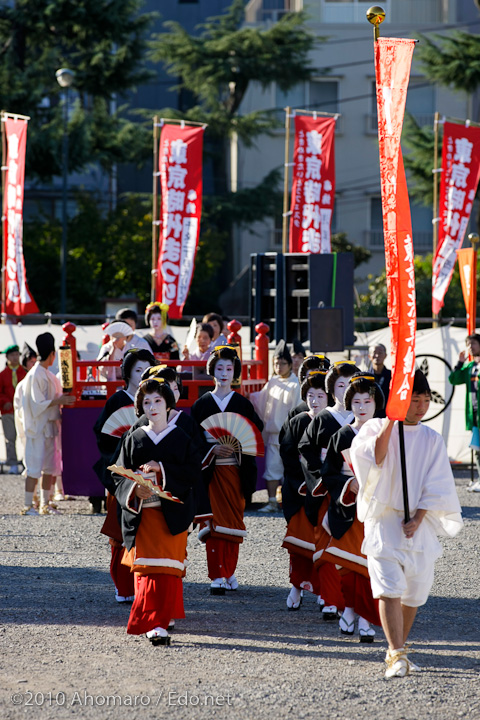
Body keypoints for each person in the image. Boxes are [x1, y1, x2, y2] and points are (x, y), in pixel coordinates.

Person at [350, 369, 463, 678]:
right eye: (415, 399)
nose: (422, 406)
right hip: (384, 520)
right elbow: (374, 458)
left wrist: (419, 517)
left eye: (426, 400)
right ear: (400, 399)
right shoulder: (375, 426)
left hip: (417, 525)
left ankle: (398, 649)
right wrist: (391, 419)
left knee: (414, 592)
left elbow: (437, 482)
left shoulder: (431, 438)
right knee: (389, 587)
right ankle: (397, 653)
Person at [112, 377, 199, 646]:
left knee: (169, 570)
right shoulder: (133, 437)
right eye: (146, 402)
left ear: (168, 404)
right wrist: (133, 490)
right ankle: (155, 623)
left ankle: (162, 616)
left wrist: (162, 468)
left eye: (158, 401)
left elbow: (194, 473)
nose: (152, 406)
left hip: (172, 514)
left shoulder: (182, 437)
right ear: (140, 407)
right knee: (147, 570)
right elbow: (118, 476)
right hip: (144, 516)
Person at [191, 346, 263, 594]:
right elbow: (194, 439)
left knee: (233, 522)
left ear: (235, 373)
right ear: (211, 371)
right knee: (213, 523)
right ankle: (216, 575)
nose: (224, 373)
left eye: (229, 368)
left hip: (235, 470)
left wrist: (236, 448)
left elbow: (255, 433)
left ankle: (229, 571)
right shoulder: (201, 404)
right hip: (211, 473)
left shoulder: (243, 404)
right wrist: (212, 451)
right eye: (219, 368)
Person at [321, 373, 384, 641]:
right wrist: (348, 485)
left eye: (367, 401)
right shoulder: (342, 435)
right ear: (349, 403)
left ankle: (366, 618)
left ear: (375, 404)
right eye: (356, 401)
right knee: (349, 565)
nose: (361, 407)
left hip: (378, 507)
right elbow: (329, 472)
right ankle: (349, 608)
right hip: (348, 506)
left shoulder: (385, 433)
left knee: (372, 566)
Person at [298, 360, 358, 621]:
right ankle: (330, 599)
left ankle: (351, 599)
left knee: (353, 545)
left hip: (356, 489)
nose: (346, 392)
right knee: (326, 542)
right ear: (332, 389)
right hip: (327, 487)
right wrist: (321, 477)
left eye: (350, 386)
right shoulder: (323, 418)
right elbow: (305, 450)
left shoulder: (365, 419)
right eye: (341, 385)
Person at [94, 349, 155, 599]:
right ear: (127, 372)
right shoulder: (117, 401)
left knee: (146, 528)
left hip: (146, 475)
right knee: (120, 531)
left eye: (146, 370)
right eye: (138, 370)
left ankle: (142, 583)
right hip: (122, 474)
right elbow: (103, 436)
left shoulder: (153, 400)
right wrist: (123, 453)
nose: (142, 375)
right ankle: (122, 585)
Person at [280, 371, 329, 610]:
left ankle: (324, 590)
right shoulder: (297, 421)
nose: (315, 400)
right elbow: (288, 455)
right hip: (300, 489)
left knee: (324, 543)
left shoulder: (332, 422)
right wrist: (302, 483)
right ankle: (296, 587)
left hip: (326, 490)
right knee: (300, 545)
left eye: (320, 395)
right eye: (310, 395)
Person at [21, 333, 75, 515]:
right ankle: (28, 505)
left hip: (50, 426)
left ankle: (45, 502)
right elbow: (37, 403)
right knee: (34, 466)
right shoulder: (36, 374)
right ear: (52, 354)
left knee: (50, 466)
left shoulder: (47, 374)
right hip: (38, 426)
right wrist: (59, 400)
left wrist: (63, 398)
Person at [250, 340, 301, 513]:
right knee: (272, 468)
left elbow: (297, 410)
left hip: (289, 435)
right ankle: (272, 501)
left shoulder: (296, 385)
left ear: (290, 364)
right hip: (273, 434)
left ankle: (288, 500)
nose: (279, 366)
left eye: (282, 363)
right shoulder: (272, 382)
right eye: (276, 363)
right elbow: (260, 400)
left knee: (289, 470)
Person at [449, 333, 480, 491]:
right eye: (468, 344)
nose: (470, 347)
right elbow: (453, 379)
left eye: (473, 343)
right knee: (477, 449)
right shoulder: (469, 367)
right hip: (474, 415)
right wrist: (459, 363)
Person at [0, 344, 26, 474]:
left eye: (17, 354)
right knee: (10, 438)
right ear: (7, 357)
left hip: (23, 411)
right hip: (8, 411)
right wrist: (5, 401)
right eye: (12, 355)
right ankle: (12, 463)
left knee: (25, 436)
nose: (15, 357)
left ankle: (26, 462)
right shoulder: (3, 375)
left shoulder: (25, 372)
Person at [368, 343, 391, 418]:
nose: (377, 356)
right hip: (369, 417)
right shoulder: (364, 377)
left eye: (380, 353)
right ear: (369, 356)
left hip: (387, 417)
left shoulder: (392, 376)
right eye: (374, 353)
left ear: (385, 355)